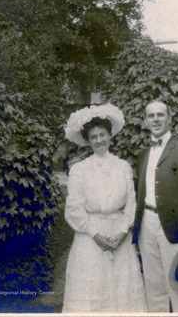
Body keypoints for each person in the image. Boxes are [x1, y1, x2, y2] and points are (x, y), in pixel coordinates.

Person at [62, 103, 147, 313]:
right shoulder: (79, 170)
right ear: (88, 141)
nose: (99, 140)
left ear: (110, 136)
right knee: (93, 291)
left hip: (119, 236)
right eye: (94, 137)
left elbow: (131, 204)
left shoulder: (123, 167)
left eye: (102, 135)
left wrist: (122, 231)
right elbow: (75, 209)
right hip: (90, 237)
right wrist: (95, 234)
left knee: (121, 291)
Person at [132, 100, 178, 313]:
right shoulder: (143, 155)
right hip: (146, 225)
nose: (156, 119)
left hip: (174, 227)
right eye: (151, 116)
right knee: (154, 285)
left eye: (160, 115)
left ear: (169, 118)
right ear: (145, 121)